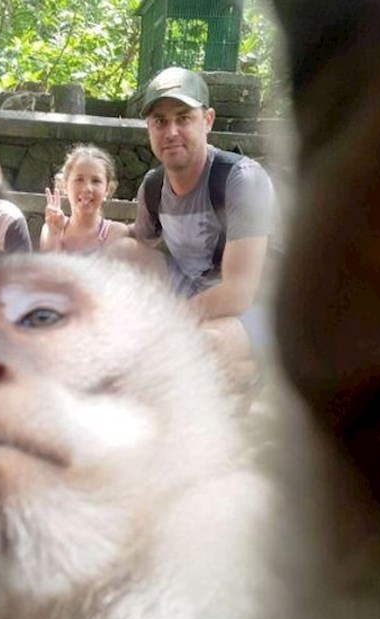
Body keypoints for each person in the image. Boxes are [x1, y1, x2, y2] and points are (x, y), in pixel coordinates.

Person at [129, 66, 276, 391]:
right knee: (120, 251)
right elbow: (134, 243)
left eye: (183, 118)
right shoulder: (153, 187)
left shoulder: (241, 180)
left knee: (197, 350)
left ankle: (257, 371)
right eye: (160, 121)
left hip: (256, 305)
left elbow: (239, 292)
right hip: (195, 292)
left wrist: (167, 322)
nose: (171, 132)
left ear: (207, 120)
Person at [39, 144, 129, 252]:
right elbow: (48, 268)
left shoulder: (116, 233)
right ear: (64, 185)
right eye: (79, 179)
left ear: (107, 189)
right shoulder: (50, 229)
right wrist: (54, 235)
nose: (87, 188)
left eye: (96, 181)